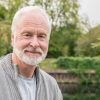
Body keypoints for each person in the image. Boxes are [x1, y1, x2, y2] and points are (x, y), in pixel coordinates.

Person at [0, 5, 63, 100]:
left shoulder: (51, 86)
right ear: (13, 39)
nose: (35, 44)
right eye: (27, 35)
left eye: (41, 36)